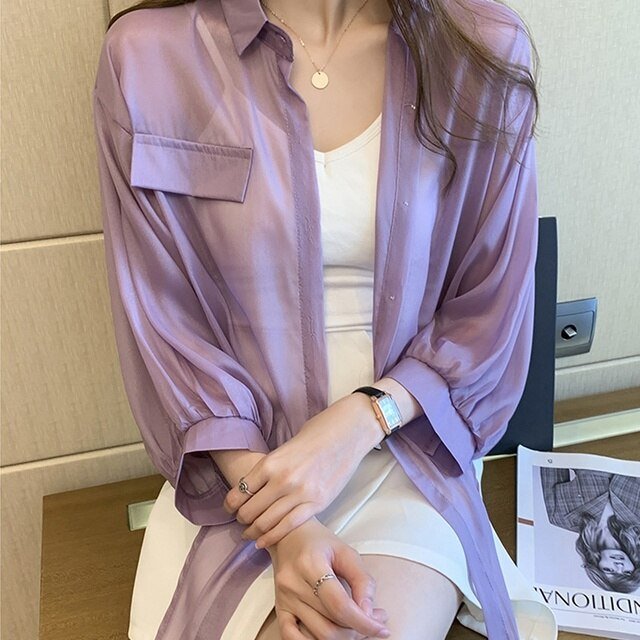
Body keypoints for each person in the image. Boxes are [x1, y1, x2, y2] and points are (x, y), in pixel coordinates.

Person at [91, 0, 558, 637]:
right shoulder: (147, 59)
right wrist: (285, 522)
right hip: (239, 467)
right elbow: (168, 327)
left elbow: (486, 314)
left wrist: (362, 420)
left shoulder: (480, 48)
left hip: (406, 448)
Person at [540, 467, 640, 593]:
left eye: (609, 570)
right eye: (627, 572)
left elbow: (550, 463)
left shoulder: (560, 517)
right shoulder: (637, 521)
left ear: (595, 564)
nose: (619, 566)